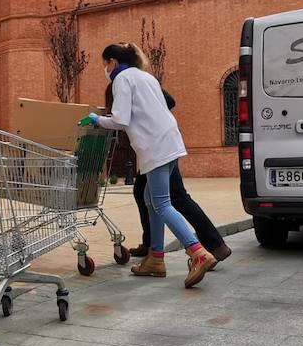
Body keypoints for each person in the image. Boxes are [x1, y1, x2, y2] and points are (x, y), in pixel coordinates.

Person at [83, 43, 217, 288]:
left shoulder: (121, 79)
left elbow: (121, 119)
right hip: (169, 141)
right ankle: (155, 259)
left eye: (105, 63)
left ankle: (198, 253)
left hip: (154, 146)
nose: (105, 68)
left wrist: (98, 120)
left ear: (112, 62)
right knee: (149, 198)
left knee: (162, 203)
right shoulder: (146, 77)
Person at [104, 70, 231, 264]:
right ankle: (154, 250)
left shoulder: (135, 81)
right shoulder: (137, 79)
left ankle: (207, 249)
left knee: (173, 198)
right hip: (159, 145)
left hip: (159, 146)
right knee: (144, 192)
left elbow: (167, 102)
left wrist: (150, 115)